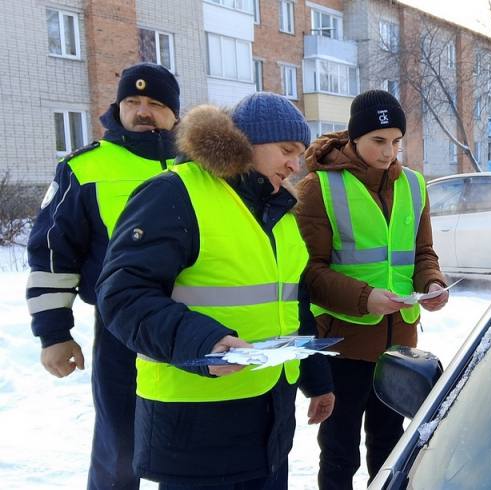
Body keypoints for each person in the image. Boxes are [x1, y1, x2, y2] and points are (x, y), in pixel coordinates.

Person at [95, 92, 335, 488]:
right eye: (286, 150)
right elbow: (123, 296)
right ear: (247, 142)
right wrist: (203, 341)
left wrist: (317, 379)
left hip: (268, 423)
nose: (295, 164)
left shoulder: (280, 211)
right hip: (196, 432)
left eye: (301, 153)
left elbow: (291, 304)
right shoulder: (175, 193)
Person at [26, 62, 180, 490]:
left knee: (193, 444)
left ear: (175, 114)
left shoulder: (201, 167)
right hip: (122, 331)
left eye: (154, 103)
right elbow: (52, 255)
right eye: (132, 101)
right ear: (118, 107)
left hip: (196, 324)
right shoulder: (85, 168)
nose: (142, 111)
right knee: (120, 448)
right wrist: (53, 334)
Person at [294, 89, 449, 489]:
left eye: (396, 141)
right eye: (378, 141)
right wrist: (366, 299)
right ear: (354, 138)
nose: (388, 152)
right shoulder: (319, 187)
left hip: (399, 347)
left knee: (391, 446)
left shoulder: (414, 185)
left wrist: (431, 282)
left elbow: (422, 251)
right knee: (339, 451)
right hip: (343, 347)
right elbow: (308, 273)